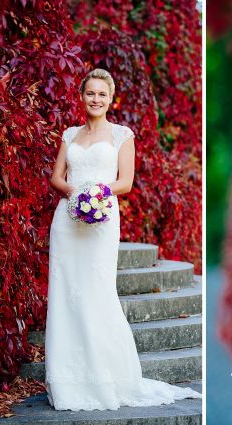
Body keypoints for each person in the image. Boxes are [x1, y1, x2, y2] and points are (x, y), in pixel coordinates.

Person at [45, 68, 200, 410]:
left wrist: (95, 194)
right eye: (90, 93)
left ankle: (106, 378)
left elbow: (125, 181)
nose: (95, 99)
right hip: (67, 221)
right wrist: (76, 193)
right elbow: (57, 177)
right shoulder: (69, 135)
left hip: (102, 219)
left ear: (110, 98)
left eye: (102, 94)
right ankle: (68, 382)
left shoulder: (121, 135)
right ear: (81, 96)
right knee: (66, 295)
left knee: (97, 292)